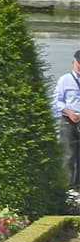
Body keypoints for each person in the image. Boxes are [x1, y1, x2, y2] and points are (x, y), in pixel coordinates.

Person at [52, 49, 80, 190]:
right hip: (68, 121)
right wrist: (69, 112)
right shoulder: (65, 80)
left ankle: (78, 186)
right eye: (78, 63)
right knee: (68, 155)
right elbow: (56, 102)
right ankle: (67, 187)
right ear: (73, 63)